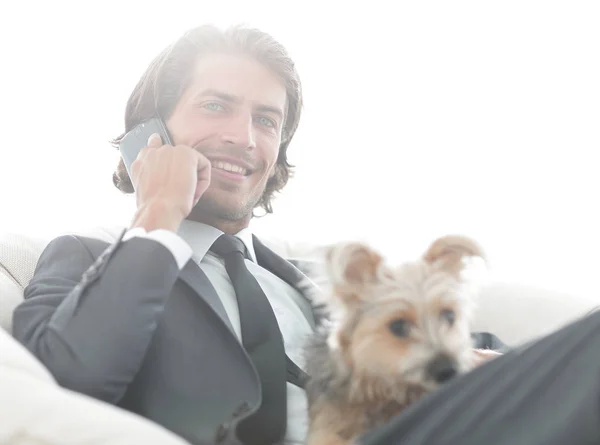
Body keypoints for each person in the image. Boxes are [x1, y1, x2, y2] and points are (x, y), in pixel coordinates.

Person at [11, 24, 502, 445]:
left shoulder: (322, 281)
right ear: (151, 131)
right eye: (216, 105)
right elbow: (67, 384)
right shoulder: (86, 257)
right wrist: (158, 211)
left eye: (265, 120)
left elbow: (455, 338)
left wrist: (485, 364)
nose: (244, 138)